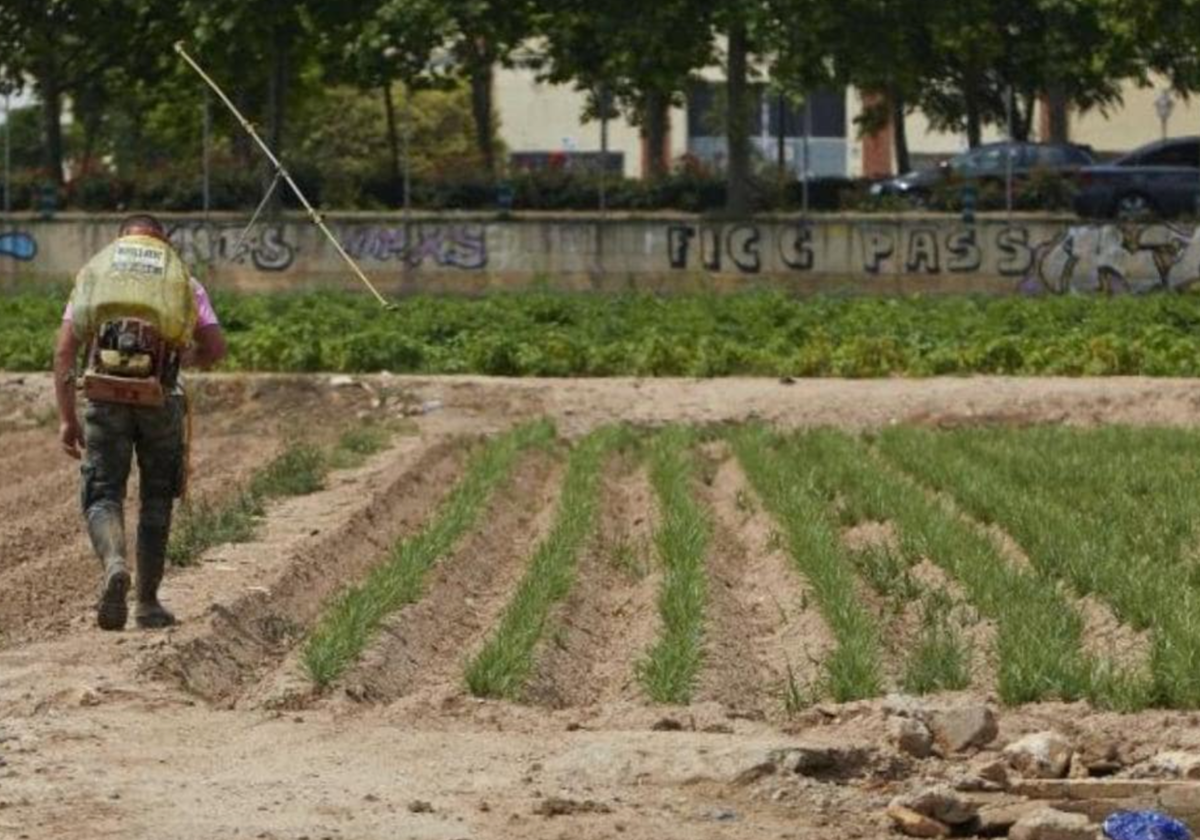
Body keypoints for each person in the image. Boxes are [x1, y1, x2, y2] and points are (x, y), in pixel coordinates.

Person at [53, 214, 227, 631]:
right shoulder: (182, 279)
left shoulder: (97, 274)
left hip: (103, 398)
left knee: (102, 494)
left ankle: (114, 564)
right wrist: (190, 357)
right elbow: (216, 347)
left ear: (120, 242)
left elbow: (64, 354)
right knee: (156, 498)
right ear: (161, 242)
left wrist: (66, 419)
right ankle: (147, 604)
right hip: (160, 399)